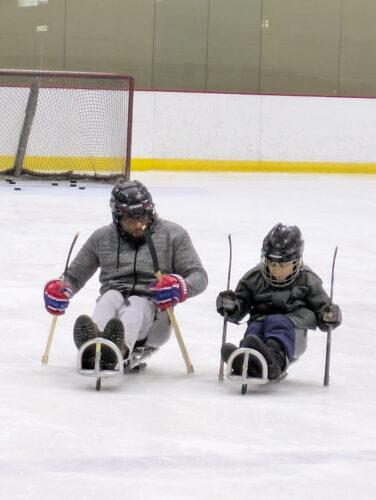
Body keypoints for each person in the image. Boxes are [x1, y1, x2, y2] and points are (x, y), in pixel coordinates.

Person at [43, 179, 208, 370]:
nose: (139, 225)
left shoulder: (174, 235)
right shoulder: (101, 238)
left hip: (155, 318)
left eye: (143, 217)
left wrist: (181, 287)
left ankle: (117, 351)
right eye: (130, 219)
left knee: (137, 303)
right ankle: (93, 345)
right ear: (117, 217)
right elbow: (73, 276)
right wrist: (62, 288)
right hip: (115, 304)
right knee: (110, 297)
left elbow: (199, 276)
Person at [216, 223, 342, 380]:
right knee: (254, 330)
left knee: (277, 322)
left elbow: (322, 307)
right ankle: (246, 358)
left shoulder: (308, 279)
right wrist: (232, 306)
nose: (278, 271)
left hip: (293, 325)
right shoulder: (254, 278)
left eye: (284, 266)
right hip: (261, 320)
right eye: (273, 265)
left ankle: (275, 360)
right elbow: (241, 303)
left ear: (297, 262)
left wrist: (327, 315)